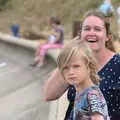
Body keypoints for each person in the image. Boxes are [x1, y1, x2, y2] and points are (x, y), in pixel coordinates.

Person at [43, 10, 120, 120]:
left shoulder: (118, 64)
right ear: (80, 34)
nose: (91, 33)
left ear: (107, 36)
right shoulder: (74, 63)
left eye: (97, 29)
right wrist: (69, 56)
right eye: (87, 29)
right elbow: (49, 94)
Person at [57, 42, 110, 120]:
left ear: (89, 67)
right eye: (65, 68)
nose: (71, 72)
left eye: (76, 66)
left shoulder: (92, 96)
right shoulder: (81, 91)